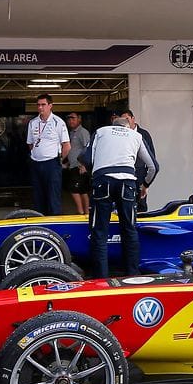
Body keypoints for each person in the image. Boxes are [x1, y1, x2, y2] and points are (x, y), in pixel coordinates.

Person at [80, 117, 156, 278]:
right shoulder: (136, 136)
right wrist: (145, 186)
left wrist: (95, 172)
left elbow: (86, 158)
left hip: (103, 180)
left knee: (99, 231)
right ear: (128, 127)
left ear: (112, 125)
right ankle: (132, 276)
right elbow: (153, 166)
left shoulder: (100, 132)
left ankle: (101, 279)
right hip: (127, 182)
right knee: (129, 229)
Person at [27, 94, 70, 216]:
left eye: (43, 105)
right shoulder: (33, 122)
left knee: (53, 196)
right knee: (38, 196)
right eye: (38, 105)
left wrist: (59, 161)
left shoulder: (58, 122)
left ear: (50, 106)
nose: (40, 107)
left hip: (52, 163)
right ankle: (40, 223)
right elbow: (30, 144)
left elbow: (67, 146)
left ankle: (55, 225)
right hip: (36, 163)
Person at [120, 109, 159, 212]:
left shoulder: (144, 134)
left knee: (141, 202)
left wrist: (147, 180)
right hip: (125, 172)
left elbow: (152, 156)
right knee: (125, 202)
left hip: (140, 172)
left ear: (133, 119)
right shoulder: (121, 134)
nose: (125, 122)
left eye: (127, 119)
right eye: (122, 120)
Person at [64, 112, 91, 215]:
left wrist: (84, 164)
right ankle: (85, 213)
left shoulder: (83, 132)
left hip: (79, 166)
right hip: (72, 165)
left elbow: (87, 148)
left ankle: (81, 212)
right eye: (69, 118)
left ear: (79, 119)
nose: (71, 120)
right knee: (81, 190)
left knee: (74, 189)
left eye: (73, 118)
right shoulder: (71, 133)